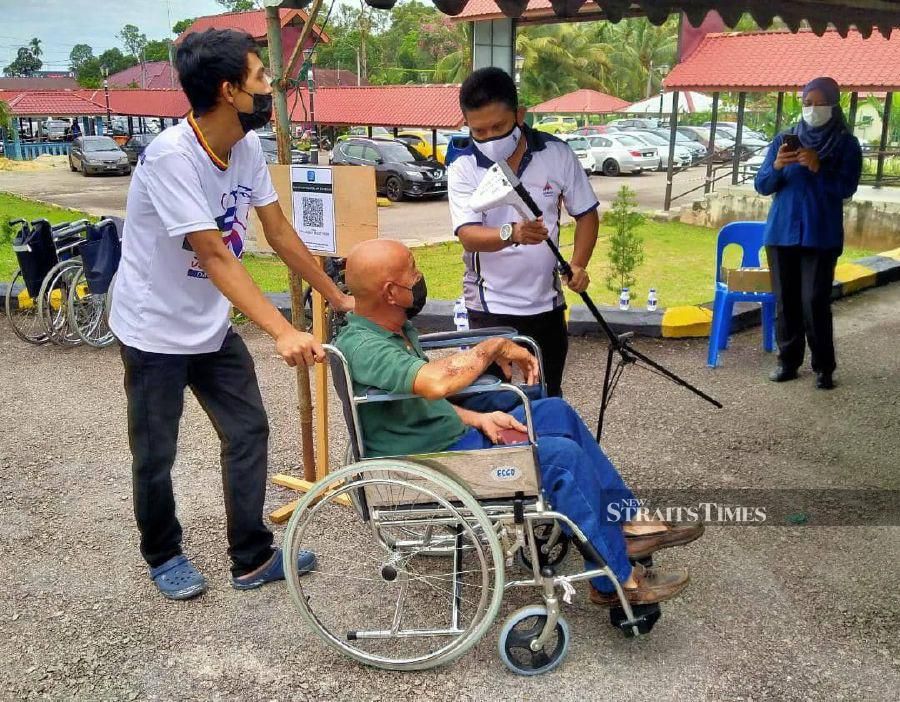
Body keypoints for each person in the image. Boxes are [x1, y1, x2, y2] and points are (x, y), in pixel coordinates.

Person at [109, 29, 353, 600]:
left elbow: (280, 233)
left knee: (247, 430)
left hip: (209, 324)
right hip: (153, 329)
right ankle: (163, 553)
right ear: (228, 90)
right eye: (261, 78)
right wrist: (282, 330)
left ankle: (250, 555)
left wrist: (334, 297)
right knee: (155, 451)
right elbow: (215, 252)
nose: (272, 87)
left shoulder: (242, 147)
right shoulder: (172, 157)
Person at [335, 240, 703, 607]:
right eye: (412, 270)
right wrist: (493, 347)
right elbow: (435, 383)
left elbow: (414, 403)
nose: (418, 277)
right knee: (562, 459)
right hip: (429, 458)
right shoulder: (368, 347)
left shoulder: (393, 328)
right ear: (390, 292)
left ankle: (628, 521)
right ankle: (617, 583)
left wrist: (478, 417)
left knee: (556, 412)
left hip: (443, 433)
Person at [448, 68, 601, 397]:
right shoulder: (463, 165)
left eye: (499, 127)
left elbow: (587, 214)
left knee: (547, 395)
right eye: (479, 131)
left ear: (519, 115)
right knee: (491, 400)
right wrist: (513, 233)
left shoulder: (556, 154)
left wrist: (579, 264)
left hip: (545, 306)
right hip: (488, 309)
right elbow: (468, 235)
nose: (489, 138)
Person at [754, 76, 862, 390]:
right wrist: (776, 165)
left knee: (814, 301)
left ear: (833, 104)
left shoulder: (845, 144)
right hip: (781, 233)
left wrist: (819, 168)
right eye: (807, 103)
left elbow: (846, 187)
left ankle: (823, 367)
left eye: (820, 102)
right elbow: (762, 185)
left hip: (820, 234)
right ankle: (787, 361)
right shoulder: (784, 140)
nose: (813, 109)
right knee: (786, 301)